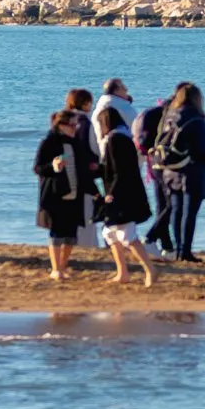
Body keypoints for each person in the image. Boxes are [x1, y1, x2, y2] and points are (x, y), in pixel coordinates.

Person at [149, 83, 205, 263]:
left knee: (176, 210)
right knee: (189, 213)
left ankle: (178, 249)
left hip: (170, 169)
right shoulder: (195, 119)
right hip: (191, 170)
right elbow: (201, 149)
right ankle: (185, 251)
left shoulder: (169, 115)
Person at [94, 105, 156, 285]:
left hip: (122, 195)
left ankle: (150, 270)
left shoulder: (115, 140)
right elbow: (113, 168)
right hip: (126, 192)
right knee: (110, 233)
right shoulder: (123, 137)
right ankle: (123, 273)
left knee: (126, 235)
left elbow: (118, 171)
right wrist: (96, 170)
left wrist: (111, 193)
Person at [35, 105, 94, 280]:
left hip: (75, 195)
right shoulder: (49, 142)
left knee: (71, 235)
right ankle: (55, 268)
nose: (75, 128)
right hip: (55, 195)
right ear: (61, 125)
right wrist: (53, 167)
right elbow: (38, 168)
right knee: (57, 233)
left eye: (76, 125)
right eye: (72, 125)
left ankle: (63, 265)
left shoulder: (76, 143)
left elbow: (83, 167)